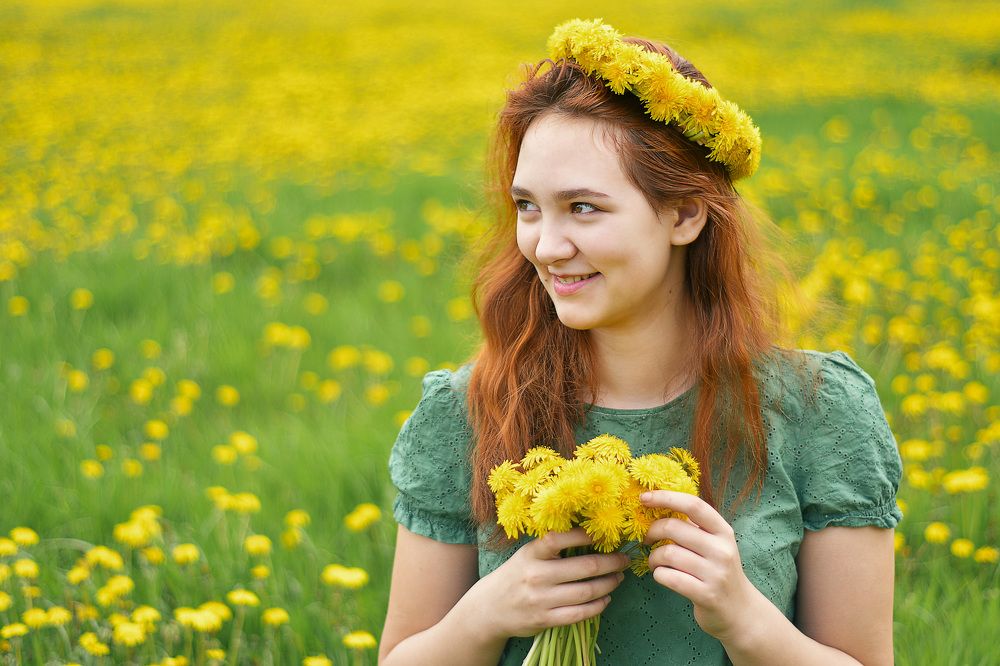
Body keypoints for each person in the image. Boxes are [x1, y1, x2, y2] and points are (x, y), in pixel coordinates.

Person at [379, 18, 901, 666]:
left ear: (684, 214)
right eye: (528, 206)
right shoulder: (467, 411)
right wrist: (489, 614)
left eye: (584, 208)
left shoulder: (820, 412)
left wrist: (745, 622)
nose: (545, 246)